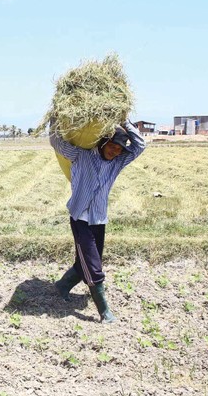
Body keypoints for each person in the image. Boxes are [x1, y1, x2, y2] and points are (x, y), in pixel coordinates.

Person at [49, 120, 146, 323]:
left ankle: (62, 286)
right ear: (103, 142)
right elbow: (57, 143)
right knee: (93, 265)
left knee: (88, 260)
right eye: (112, 146)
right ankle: (105, 313)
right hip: (80, 218)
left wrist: (125, 121)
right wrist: (55, 121)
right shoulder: (81, 156)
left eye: (119, 149)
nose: (115, 151)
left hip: (99, 218)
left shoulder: (118, 162)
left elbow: (140, 146)